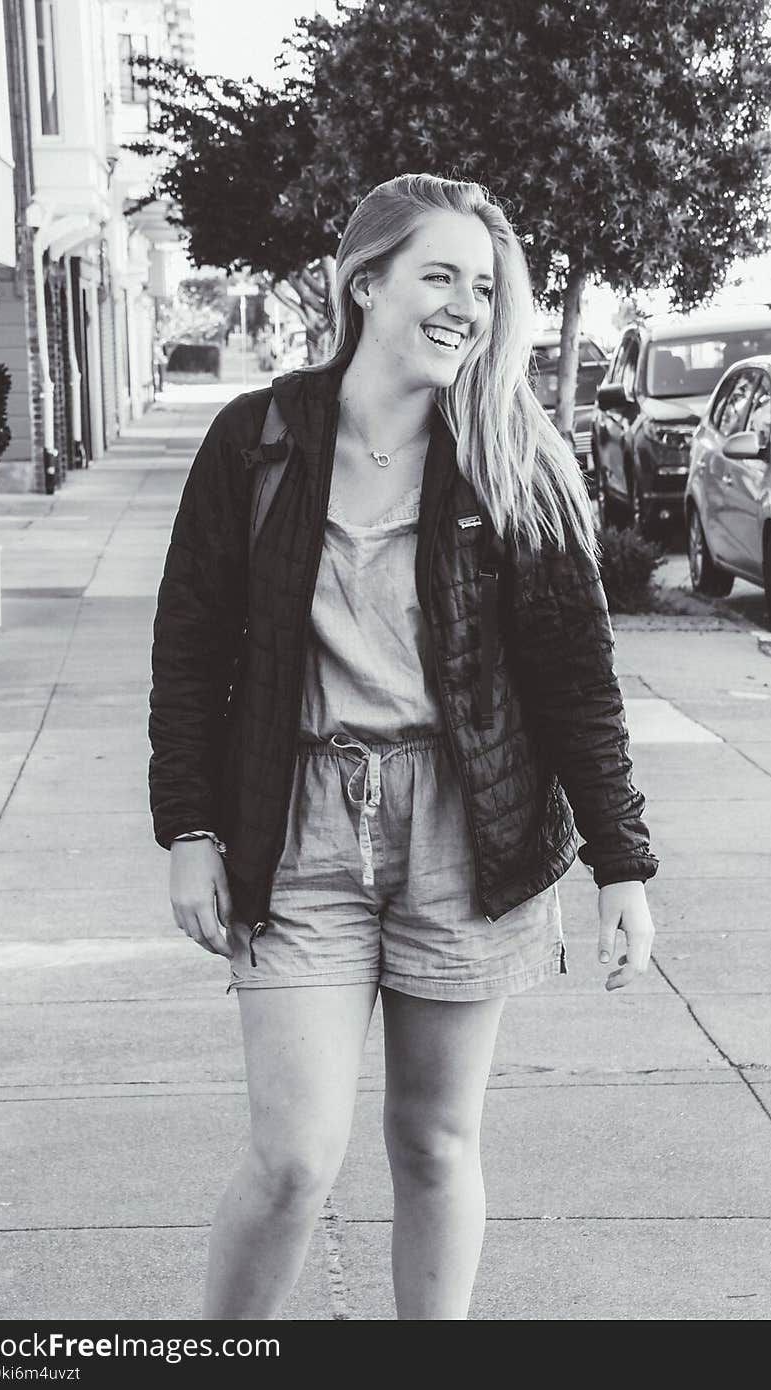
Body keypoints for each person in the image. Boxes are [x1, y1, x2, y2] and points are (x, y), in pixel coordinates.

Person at [148, 173, 658, 1321]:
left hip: (464, 825)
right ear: (363, 281)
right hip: (298, 825)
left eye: (482, 286)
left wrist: (620, 863)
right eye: (438, 275)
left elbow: (576, 680)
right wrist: (188, 827)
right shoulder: (259, 440)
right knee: (294, 1157)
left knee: (433, 1141)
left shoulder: (513, 453)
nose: (465, 306)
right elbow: (189, 654)